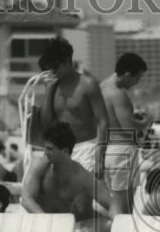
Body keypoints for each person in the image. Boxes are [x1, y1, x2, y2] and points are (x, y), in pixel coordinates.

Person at [21, 121, 113, 232]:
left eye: (50, 149)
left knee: (110, 224)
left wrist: (121, 223)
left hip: (68, 230)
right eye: (45, 148)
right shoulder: (39, 165)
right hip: (41, 227)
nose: (45, 153)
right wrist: (47, 222)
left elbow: (111, 203)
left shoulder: (80, 175)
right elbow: (26, 199)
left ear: (65, 151)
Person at [38, 38, 110, 176]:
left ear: (67, 61)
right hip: (61, 151)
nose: (52, 71)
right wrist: (47, 92)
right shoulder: (52, 86)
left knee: (84, 195)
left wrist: (100, 158)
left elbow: (103, 121)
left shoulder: (87, 84)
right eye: (49, 67)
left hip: (86, 148)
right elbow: (46, 123)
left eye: (55, 66)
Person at [101, 52, 152, 216]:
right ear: (128, 74)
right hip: (122, 151)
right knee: (124, 207)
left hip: (108, 150)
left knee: (115, 203)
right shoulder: (118, 94)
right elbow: (129, 128)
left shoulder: (101, 87)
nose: (136, 83)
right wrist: (146, 122)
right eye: (137, 78)